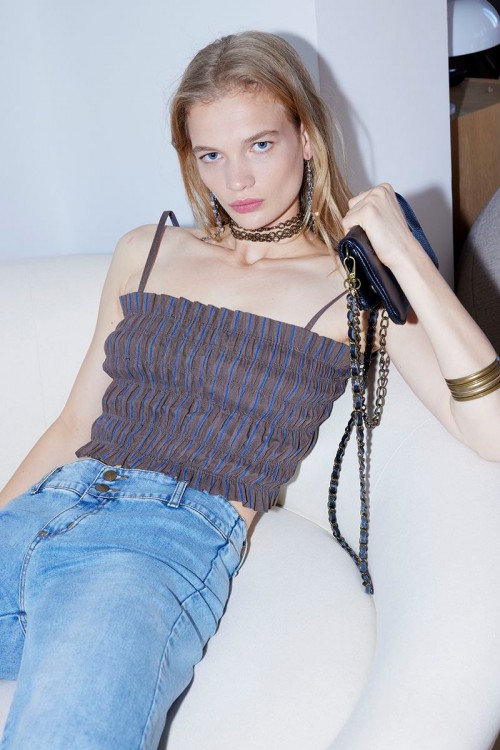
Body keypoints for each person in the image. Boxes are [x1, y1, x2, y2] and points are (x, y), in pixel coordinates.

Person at [0, 29, 499, 750]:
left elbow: (488, 428)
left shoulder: (344, 286)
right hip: (50, 506)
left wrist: (404, 255)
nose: (236, 180)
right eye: (211, 155)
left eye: (259, 145)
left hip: (155, 545)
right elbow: (73, 425)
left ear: (306, 137)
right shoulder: (147, 249)